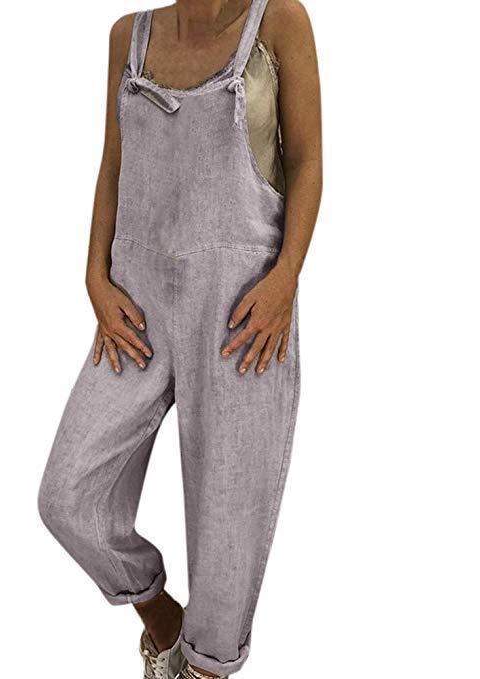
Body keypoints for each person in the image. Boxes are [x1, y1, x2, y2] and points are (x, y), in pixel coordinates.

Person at [38, 1, 322, 677]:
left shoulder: (278, 21)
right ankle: (161, 616)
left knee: (229, 521)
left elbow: (307, 160)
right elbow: (112, 165)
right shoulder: (129, 36)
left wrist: (285, 278)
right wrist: (94, 277)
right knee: (68, 495)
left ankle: (204, 667)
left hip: (241, 310)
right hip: (134, 309)